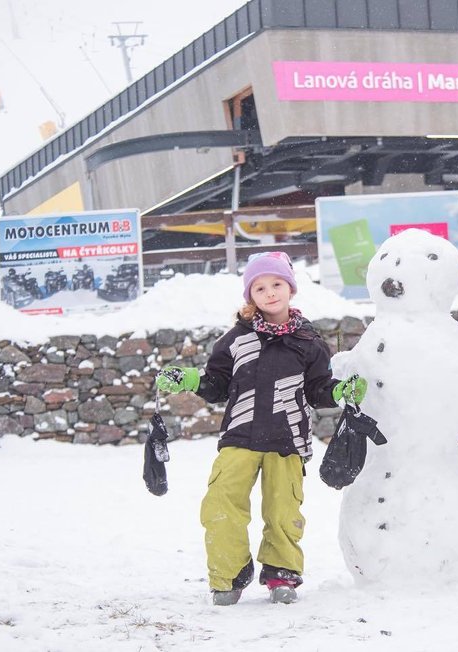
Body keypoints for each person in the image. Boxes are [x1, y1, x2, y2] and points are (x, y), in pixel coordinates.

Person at [155, 251, 365, 606]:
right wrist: (190, 379)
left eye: (277, 284)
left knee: (283, 511)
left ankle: (281, 574)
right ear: (250, 296)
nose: (270, 293)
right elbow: (217, 383)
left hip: (288, 440)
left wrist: (339, 391)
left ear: (291, 288)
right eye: (260, 287)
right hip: (239, 437)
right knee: (221, 504)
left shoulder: (309, 342)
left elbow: (317, 389)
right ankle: (228, 577)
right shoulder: (236, 339)